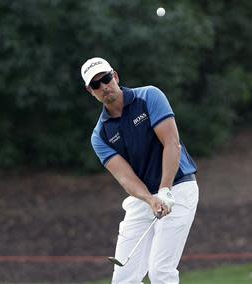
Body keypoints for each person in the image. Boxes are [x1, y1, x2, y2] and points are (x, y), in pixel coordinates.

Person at [81, 57, 199, 284]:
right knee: (123, 278)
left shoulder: (149, 96)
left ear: (115, 76)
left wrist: (164, 189)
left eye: (106, 79)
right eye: (96, 85)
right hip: (143, 197)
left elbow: (171, 143)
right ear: (90, 91)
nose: (104, 86)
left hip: (178, 186)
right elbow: (126, 178)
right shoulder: (100, 135)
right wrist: (149, 198)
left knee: (160, 272)